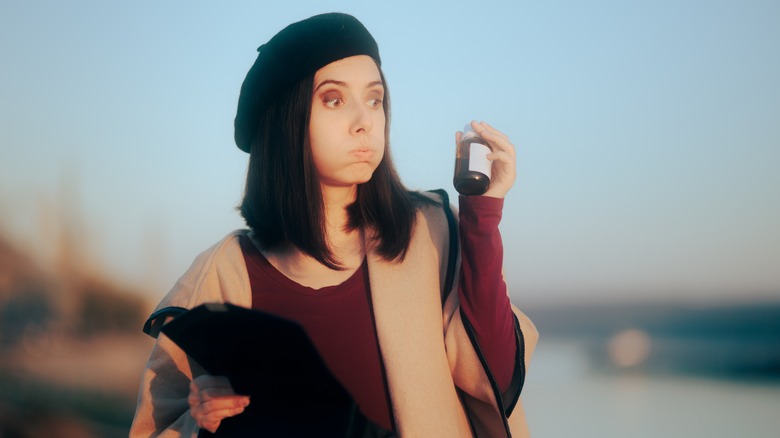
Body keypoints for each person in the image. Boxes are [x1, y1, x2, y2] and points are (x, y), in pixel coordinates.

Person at [130, 12, 537, 438]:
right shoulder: (224, 272)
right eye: (334, 99)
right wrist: (204, 417)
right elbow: (155, 424)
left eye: (375, 99)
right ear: (286, 122)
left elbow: (496, 374)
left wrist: (482, 217)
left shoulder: (430, 231)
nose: (365, 121)